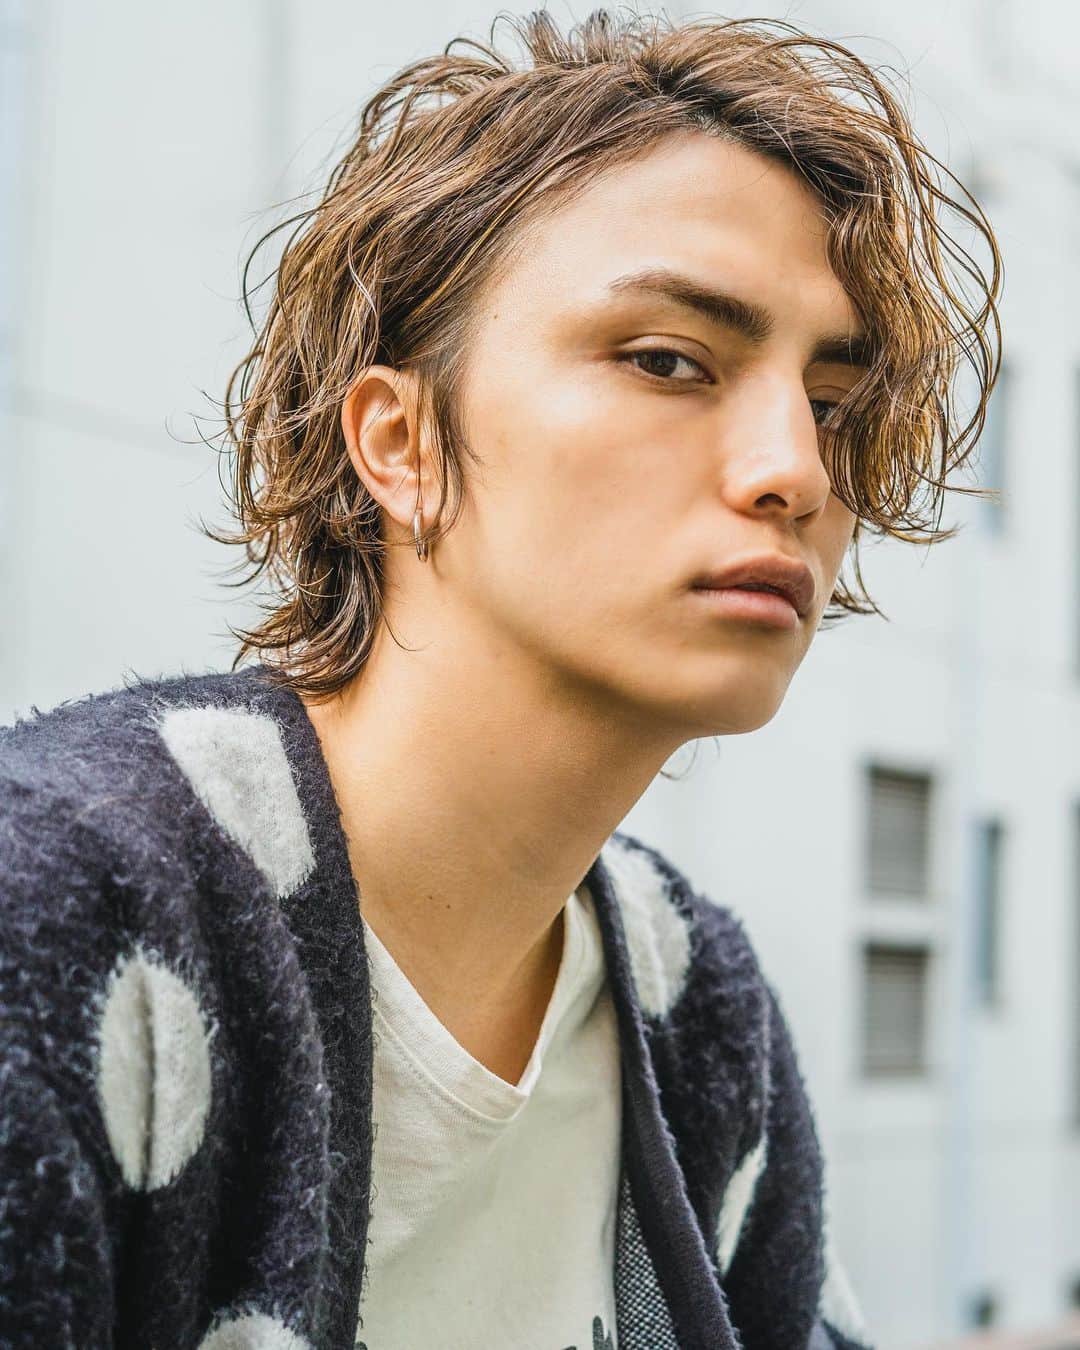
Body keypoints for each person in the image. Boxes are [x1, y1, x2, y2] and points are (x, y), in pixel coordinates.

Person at [0, 8, 1000, 1349]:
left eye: (831, 406)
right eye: (669, 361)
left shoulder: (696, 1005)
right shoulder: (59, 912)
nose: (797, 472)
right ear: (400, 442)